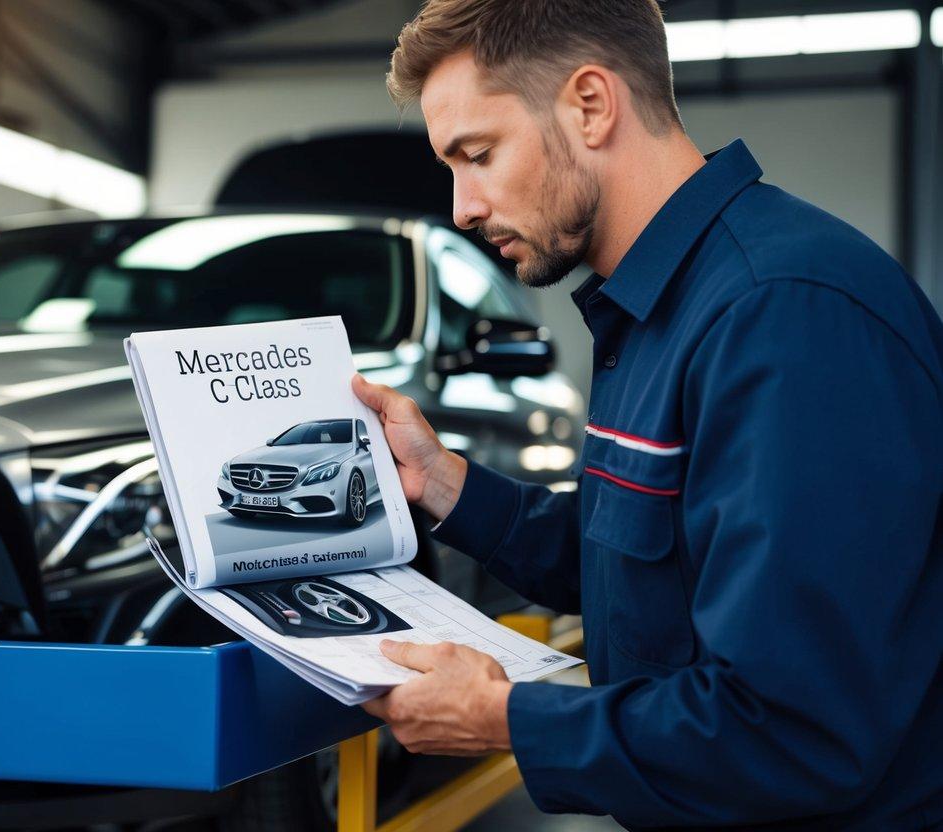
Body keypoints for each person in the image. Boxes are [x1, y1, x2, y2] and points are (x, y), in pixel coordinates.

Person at [352, 1, 943, 828]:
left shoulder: (780, 317)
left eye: (478, 155)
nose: (462, 207)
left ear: (589, 105)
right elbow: (644, 572)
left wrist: (501, 717)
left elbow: (794, 732)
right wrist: (445, 486)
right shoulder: (657, 312)